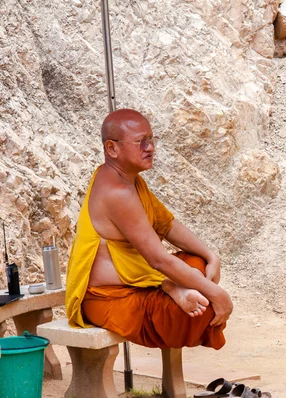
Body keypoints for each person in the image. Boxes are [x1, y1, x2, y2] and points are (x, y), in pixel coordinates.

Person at [65, 108, 233, 349]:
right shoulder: (116, 192)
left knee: (197, 263)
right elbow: (159, 261)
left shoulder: (129, 180)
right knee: (203, 311)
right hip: (109, 297)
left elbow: (166, 224)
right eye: (140, 142)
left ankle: (171, 286)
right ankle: (170, 286)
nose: (150, 147)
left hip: (139, 282)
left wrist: (210, 255)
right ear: (112, 149)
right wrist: (219, 295)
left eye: (151, 139)